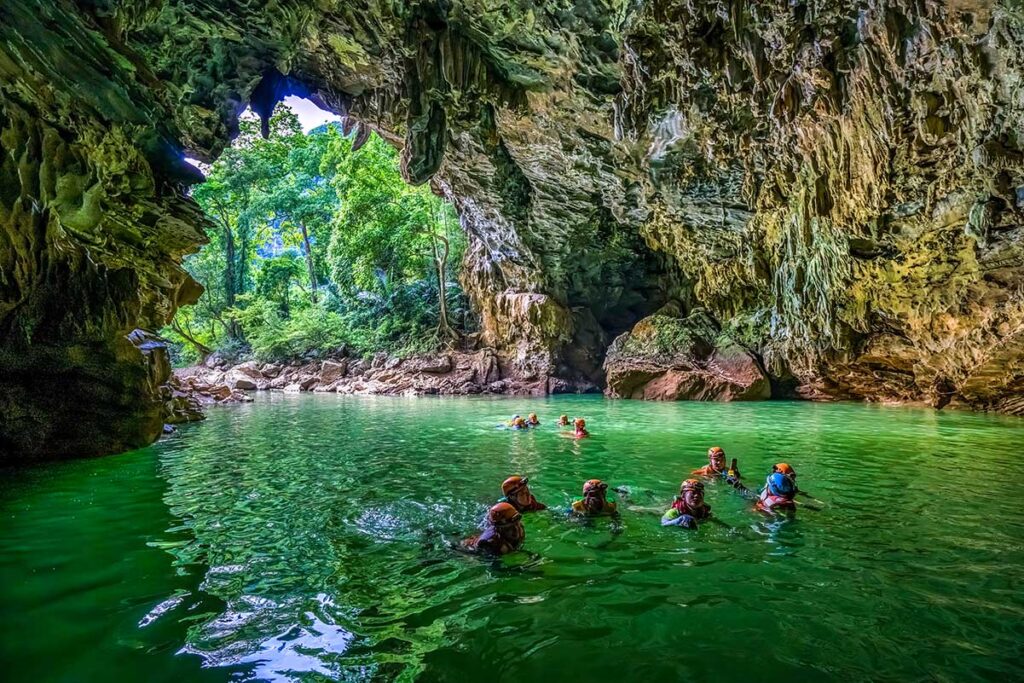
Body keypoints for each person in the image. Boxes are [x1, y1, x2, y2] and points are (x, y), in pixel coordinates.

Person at [461, 502, 525, 555]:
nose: (516, 529)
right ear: (499, 529)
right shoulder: (492, 543)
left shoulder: (519, 527)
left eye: (517, 523)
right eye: (509, 527)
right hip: (466, 551)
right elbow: (494, 567)